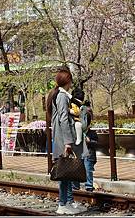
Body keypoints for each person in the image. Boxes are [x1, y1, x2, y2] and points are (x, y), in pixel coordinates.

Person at [47, 68, 88, 215]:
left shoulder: (59, 94)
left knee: (68, 171)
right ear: (68, 81)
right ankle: (62, 204)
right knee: (64, 172)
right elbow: (64, 118)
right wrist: (68, 142)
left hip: (62, 137)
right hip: (63, 138)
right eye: (70, 80)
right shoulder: (62, 96)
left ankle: (68, 202)